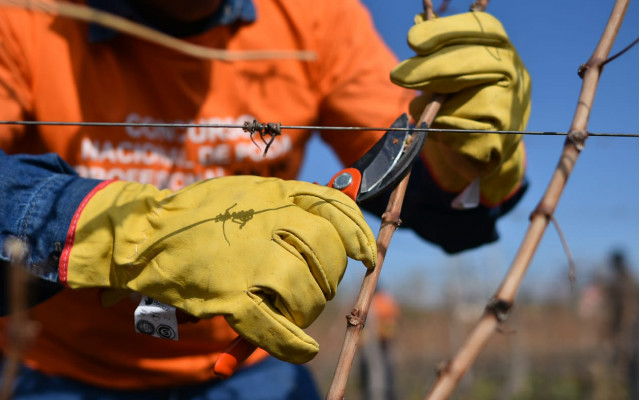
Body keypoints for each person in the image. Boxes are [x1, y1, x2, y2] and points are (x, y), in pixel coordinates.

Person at [0, 0, 531, 398]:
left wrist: (475, 162)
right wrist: (123, 228)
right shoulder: (26, 14)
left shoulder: (315, 17)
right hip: (57, 368)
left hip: (249, 370)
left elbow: (434, 201)